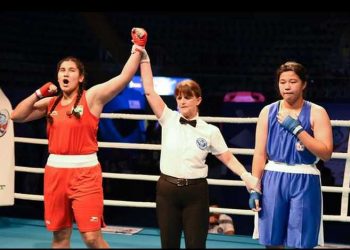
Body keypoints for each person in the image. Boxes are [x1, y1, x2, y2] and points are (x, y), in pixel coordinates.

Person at [10, 27, 148, 248]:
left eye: (71, 70)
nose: (65, 73)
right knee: (59, 238)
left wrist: (138, 48)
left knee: (92, 238)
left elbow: (123, 78)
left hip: (85, 175)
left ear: (81, 76)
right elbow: (17, 116)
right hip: (55, 173)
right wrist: (39, 93)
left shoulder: (92, 97)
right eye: (62, 70)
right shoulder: (50, 103)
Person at [138, 48, 260, 248]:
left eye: (187, 97)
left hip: (196, 192)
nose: (182, 101)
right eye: (179, 97)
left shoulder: (210, 130)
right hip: (167, 190)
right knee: (168, 244)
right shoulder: (168, 118)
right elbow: (149, 90)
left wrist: (246, 176)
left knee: (196, 245)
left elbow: (228, 158)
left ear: (198, 100)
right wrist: (144, 56)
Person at [250, 61, 333, 249]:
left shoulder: (317, 112)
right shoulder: (267, 112)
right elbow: (259, 154)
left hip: (304, 179)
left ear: (303, 84)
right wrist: (255, 187)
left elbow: (326, 153)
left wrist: (298, 129)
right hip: (272, 178)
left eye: (293, 81)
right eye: (282, 82)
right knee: (272, 240)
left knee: (301, 242)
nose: (287, 86)